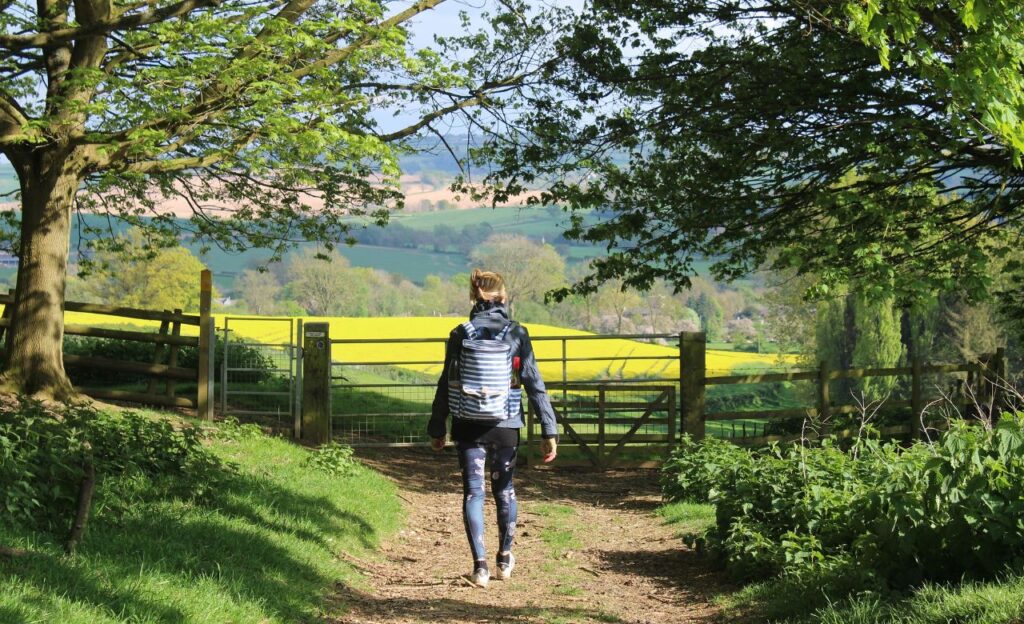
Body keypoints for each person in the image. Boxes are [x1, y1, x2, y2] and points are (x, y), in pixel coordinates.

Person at [428, 268, 559, 588]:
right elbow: (534, 384)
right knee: (505, 490)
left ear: (474, 298)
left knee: (474, 492)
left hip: (467, 425)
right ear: (504, 297)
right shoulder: (517, 333)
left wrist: (436, 426)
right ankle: (504, 558)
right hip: (506, 425)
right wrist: (549, 429)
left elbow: (447, 383)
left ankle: (480, 567)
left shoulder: (460, 333)